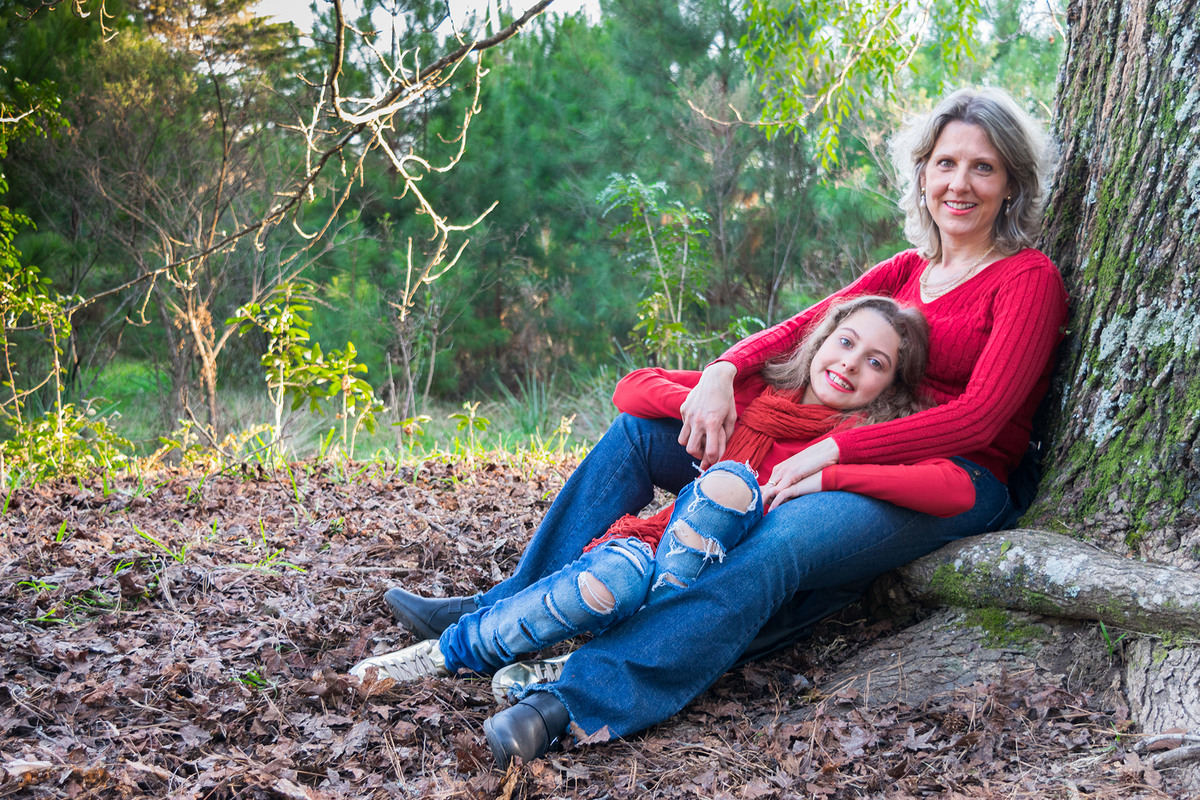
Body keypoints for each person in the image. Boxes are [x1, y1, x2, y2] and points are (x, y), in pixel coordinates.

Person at [380, 86, 1068, 769]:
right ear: (923, 172)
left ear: (1011, 183)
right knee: (637, 436)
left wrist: (835, 450)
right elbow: (804, 330)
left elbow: (980, 416)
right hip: (838, 447)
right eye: (946, 163)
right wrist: (719, 372)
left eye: (983, 167)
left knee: (781, 536)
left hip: (952, 479)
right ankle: (509, 608)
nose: (960, 183)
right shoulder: (907, 270)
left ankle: (579, 699)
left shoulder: (1027, 280)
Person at [351, 297, 976, 692]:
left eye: (877, 363)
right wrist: (710, 395)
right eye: (846, 342)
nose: (851, 364)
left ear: (891, 385)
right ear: (819, 341)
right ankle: (453, 648)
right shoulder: (760, 396)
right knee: (608, 581)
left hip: (726, 588)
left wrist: (833, 471)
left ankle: (567, 668)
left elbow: (954, 489)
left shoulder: (865, 435)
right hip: (660, 550)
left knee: (726, 495)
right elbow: (633, 392)